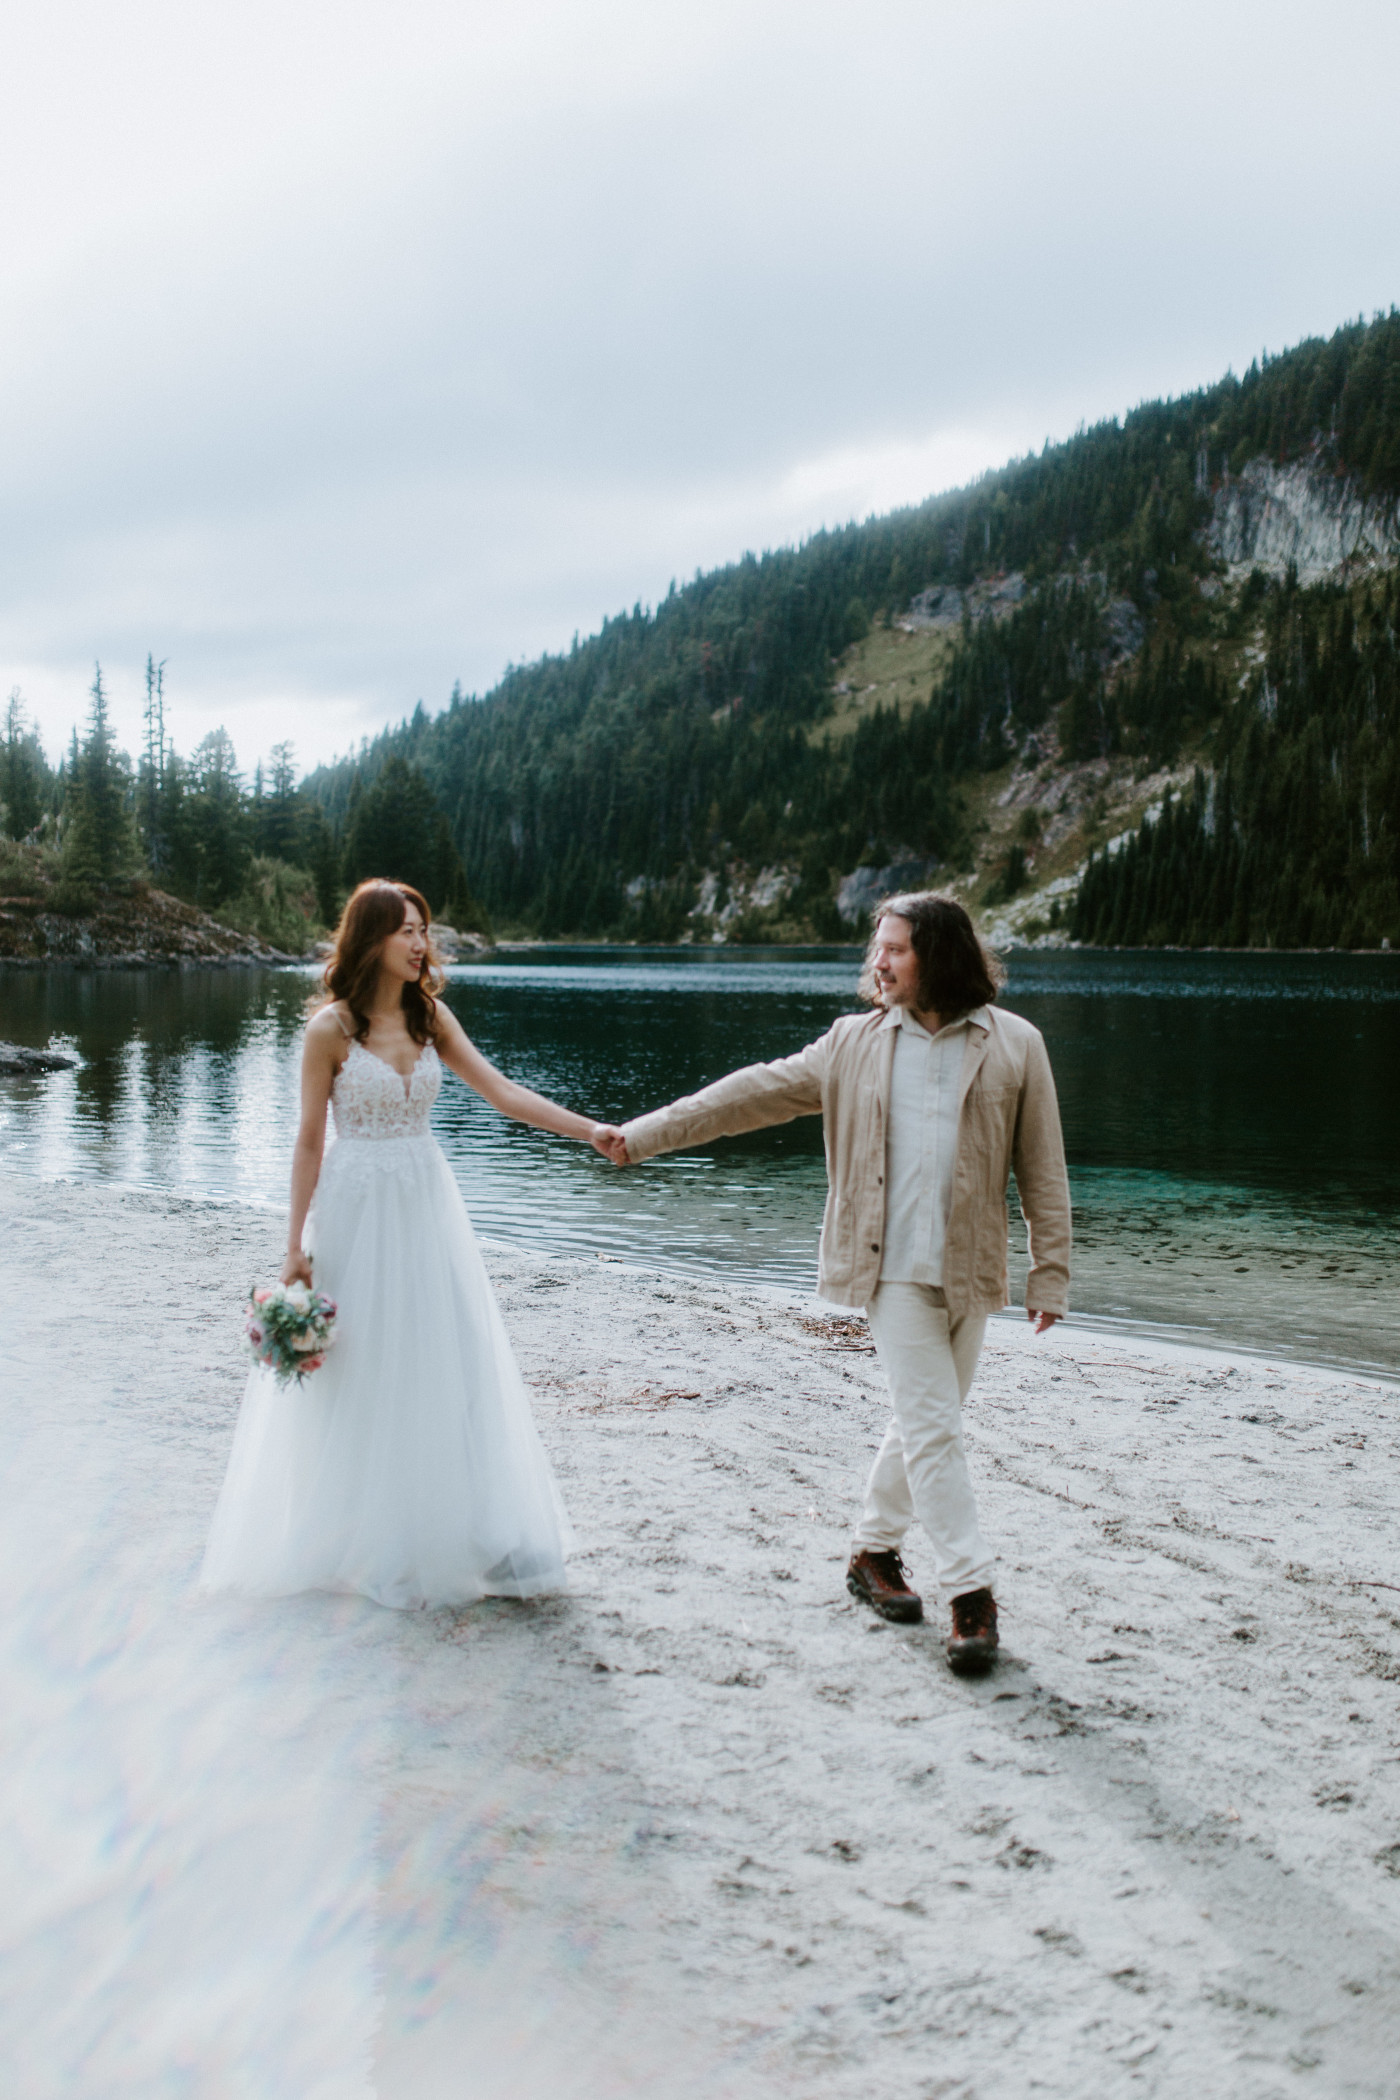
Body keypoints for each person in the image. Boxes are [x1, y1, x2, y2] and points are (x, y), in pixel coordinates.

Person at [603, 892, 1070, 1673]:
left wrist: (1048, 1269)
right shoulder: (852, 1043)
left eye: (895, 949)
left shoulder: (1014, 1044)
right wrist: (645, 1135)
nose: (877, 963)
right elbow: (747, 1094)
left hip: (969, 1268)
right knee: (934, 1427)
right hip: (886, 1268)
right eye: (876, 948)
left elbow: (1043, 1166)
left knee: (928, 1422)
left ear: (941, 957)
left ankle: (871, 1554)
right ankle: (972, 1597)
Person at [201, 878, 625, 1611]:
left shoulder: (432, 1019)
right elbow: (308, 1141)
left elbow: (503, 1093)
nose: (420, 942)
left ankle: (458, 1530)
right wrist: (293, 1245)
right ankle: (362, 1536)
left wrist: (589, 1129)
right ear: (369, 939)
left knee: (443, 1353)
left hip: (427, 1203)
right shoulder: (330, 1030)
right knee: (363, 1362)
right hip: (358, 1204)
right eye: (405, 929)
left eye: (423, 928)